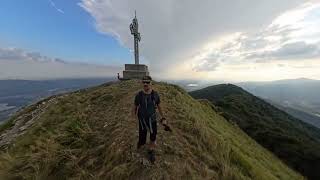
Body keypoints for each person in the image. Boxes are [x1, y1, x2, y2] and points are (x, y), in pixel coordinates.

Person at [132, 75, 166, 163]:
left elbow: (159, 106)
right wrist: (133, 117)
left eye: (147, 82)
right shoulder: (139, 95)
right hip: (142, 120)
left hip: (152, 120)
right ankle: (141, 143)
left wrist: (163, 117)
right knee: (142, 135)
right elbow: (135, 106)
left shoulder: (155, 95)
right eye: (144, 82)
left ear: (151, 83)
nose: (145, 84)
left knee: (153, 135)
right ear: (142, 83)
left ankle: (151, 150)